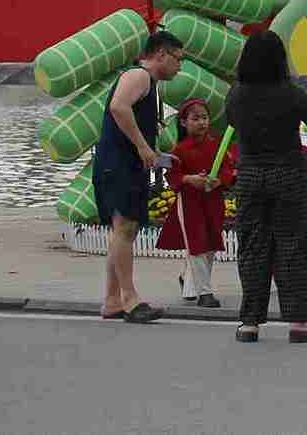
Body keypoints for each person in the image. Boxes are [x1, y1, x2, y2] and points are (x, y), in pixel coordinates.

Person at [225, 30, 307, 343]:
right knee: (293, 245)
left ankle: (250, 323)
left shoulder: (236, 94)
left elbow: (231, 122)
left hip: (251, 175)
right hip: (287, 174)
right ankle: (297, 321)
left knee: (253, 245)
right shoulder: (290, 92)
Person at [93, 29, 186, 324]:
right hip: (119, 164)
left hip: (123, 162)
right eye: (177, 59)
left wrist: (156, 155)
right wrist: (144, 148)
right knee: (125, 228)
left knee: (124, 231)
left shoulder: (147, 83)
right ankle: (130, 299)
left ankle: (111, 301)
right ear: (161, 54)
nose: (179, 66)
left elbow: (131, 122)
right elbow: (118, 107)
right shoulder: (139, 76)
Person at [155, 98, 236, 306]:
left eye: (204, 118)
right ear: (183, 122)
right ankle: (205, 293)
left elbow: (228, 170)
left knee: (210, 245)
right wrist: (190, 179)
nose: (201, 122)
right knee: (197, 244)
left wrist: (219, 180)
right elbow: (173, 177)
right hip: (190, 203)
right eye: (195, 118)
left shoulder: (217, 144)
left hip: (213, 201)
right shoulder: (179, 150)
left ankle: (189, 280)